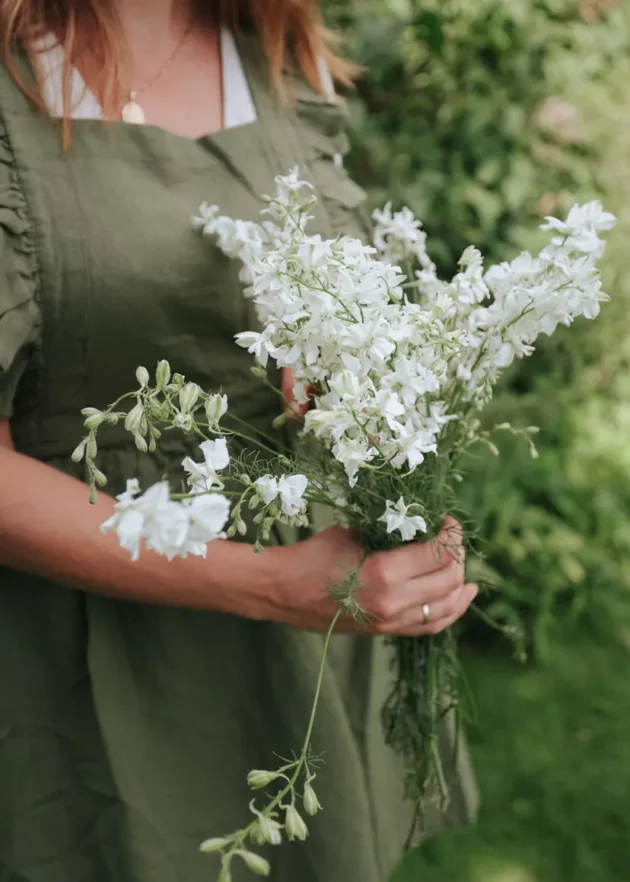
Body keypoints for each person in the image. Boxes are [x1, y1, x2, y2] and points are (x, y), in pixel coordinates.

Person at [0, 1, 478, 880]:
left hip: (315, 629)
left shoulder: (277, 49)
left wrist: (362, 384)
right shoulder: (16, 82)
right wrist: (264, 585)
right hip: (92, 648)